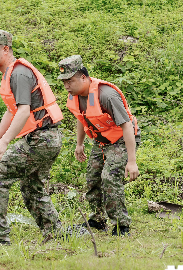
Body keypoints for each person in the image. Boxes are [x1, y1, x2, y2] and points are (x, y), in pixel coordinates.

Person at [0, 30, 66, 246]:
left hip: (41, 139)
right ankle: (56, 233)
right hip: (45, 138)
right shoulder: (10, 73)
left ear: (5, 49)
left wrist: (4, 143)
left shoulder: (19, 73)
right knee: (31, 186)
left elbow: (24, 111)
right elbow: (11, 111)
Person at [58, 55, 140, 236]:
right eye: (64, 82)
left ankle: (121, 225)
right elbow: (81, 118)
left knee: (109, 177)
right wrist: (79, 144)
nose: (66, 86)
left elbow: (127, 126)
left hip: (121, 140)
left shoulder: (106, 95)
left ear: (83, 77)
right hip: (101, 141)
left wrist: (131, 161)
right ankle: (97, 220)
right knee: (93, 178)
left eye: (70, 81)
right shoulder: (76, 95)